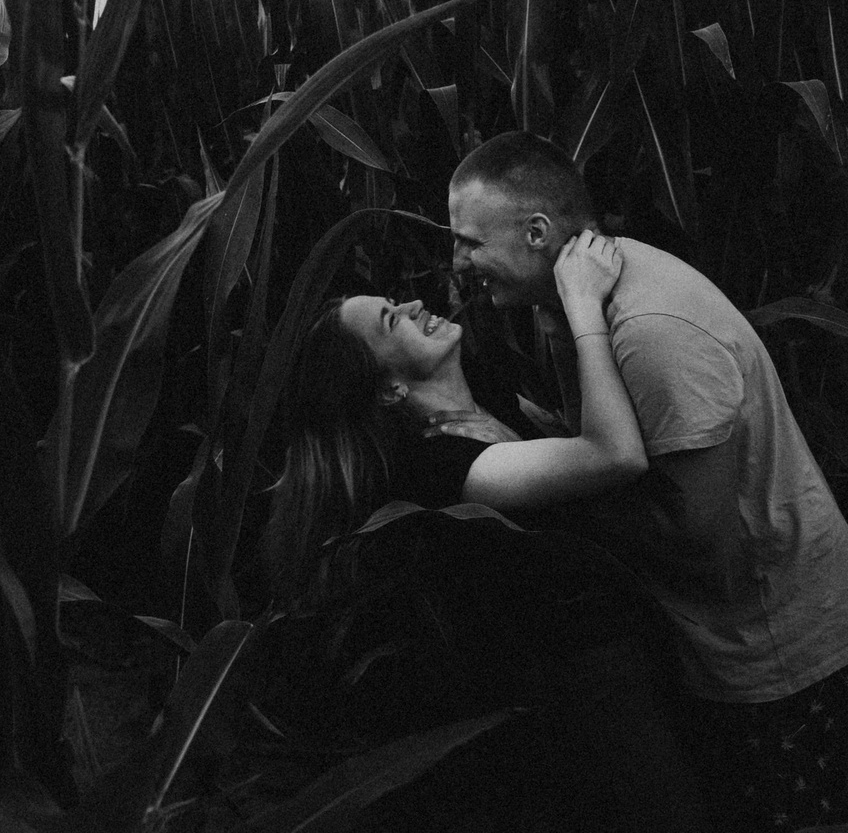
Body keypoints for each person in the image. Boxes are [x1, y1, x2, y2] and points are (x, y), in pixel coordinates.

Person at [447, 131, 848, 833]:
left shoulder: (649, 331)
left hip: (783, 650)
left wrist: (560, 505)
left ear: (537, 233)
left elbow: (701, 535)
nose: (458, 263)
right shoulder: (566, 304)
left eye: (470, 241)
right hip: (730, 641)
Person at [265, 230, 713, 831]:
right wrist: (581, 306)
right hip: (586, 704)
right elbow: (614, 455)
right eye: (392, 320)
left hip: (621, 675)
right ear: (392, 388)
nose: (416, 305)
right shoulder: (440, 470)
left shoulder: (488, 406)